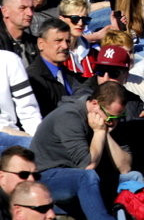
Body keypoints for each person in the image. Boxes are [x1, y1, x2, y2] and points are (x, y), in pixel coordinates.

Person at [30, 81, 131, 220]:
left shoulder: (107, 119)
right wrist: (99, 132)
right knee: (86, 177)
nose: (113, 123)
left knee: (134, 177)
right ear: (95, 104)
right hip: (46, 176)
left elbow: (125, 167)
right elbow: (87, 166)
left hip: (76, 176)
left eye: (118, 118)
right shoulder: (69, 116)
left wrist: (106, 133)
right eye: (111, 117)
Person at [26, 19, 80, 117]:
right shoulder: (33, 79)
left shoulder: (70, 76)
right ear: (41, 44)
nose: (65, 46)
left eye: (67, 41)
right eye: (58, 41)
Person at [0, 0, 37, 66]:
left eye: (32, 8)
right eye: (22, 8)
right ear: (5, 11)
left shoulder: (34, 44)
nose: (30, 13)